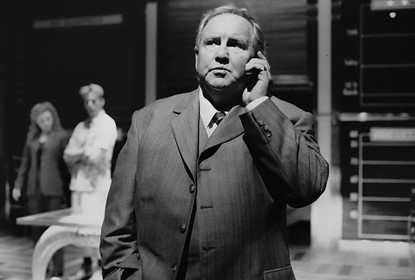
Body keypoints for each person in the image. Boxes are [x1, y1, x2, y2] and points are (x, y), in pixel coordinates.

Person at [100, 4, 329, 280]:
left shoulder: (288, 118)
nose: (221, 54)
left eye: (235, 45)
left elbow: (308, 187)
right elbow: (118, 231)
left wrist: (258, 104)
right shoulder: (147, 121)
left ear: (256, 59)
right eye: (212, 43)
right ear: (197, 55)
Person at [64, 83, 117, 280]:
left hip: (97, 186)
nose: (90, 105)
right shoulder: (80, 126)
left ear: (102, 101)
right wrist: (82, 151)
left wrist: (79, 152)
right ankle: (85, 265)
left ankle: (99, 268)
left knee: (96, 228)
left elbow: (95, 157)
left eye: (94, 101)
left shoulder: (107, 123)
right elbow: (67, 155)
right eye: (86, 101)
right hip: (78, 184)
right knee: (80, 229)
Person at [13, 101, 70, 279]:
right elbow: (24, 164)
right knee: (36, 231)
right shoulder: (32, 138)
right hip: (33, 189)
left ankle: (58, 269)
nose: (46, 122)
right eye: (42, 120)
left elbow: (69, 160)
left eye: (48, 118)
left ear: (53, 117)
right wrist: (17, 185)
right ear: (36, 122)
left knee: (54, 230)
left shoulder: (61, 136)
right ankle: (40, 267)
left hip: (52, 188)